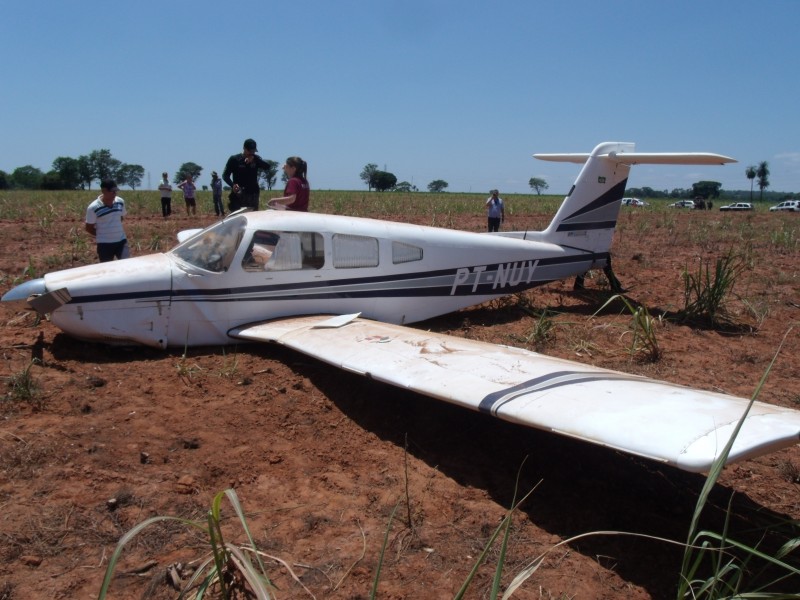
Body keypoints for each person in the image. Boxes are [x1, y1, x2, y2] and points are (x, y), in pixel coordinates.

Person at [85, 179, 129, 262]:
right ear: (104, 191)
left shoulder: (120, 202)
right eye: (112, 192)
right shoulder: (93, 208)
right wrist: (103, 234)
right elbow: (89, 228)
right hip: (104, 244)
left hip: (121, 242)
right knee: (107, 269)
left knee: (126, 264)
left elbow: (120, 217)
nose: (115, 194)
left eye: (116, 191)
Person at [222, 138, 272, 211]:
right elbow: (225, 175)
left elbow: (267, 166)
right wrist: (232, 185)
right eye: (249, 150)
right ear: (244, 148)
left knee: (253, 217)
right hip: (239, 193)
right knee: (238, 217)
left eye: (253, 151)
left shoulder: (256, 159)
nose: (251, 153)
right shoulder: (234, 159)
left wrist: (255, 159)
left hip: (253, 194)